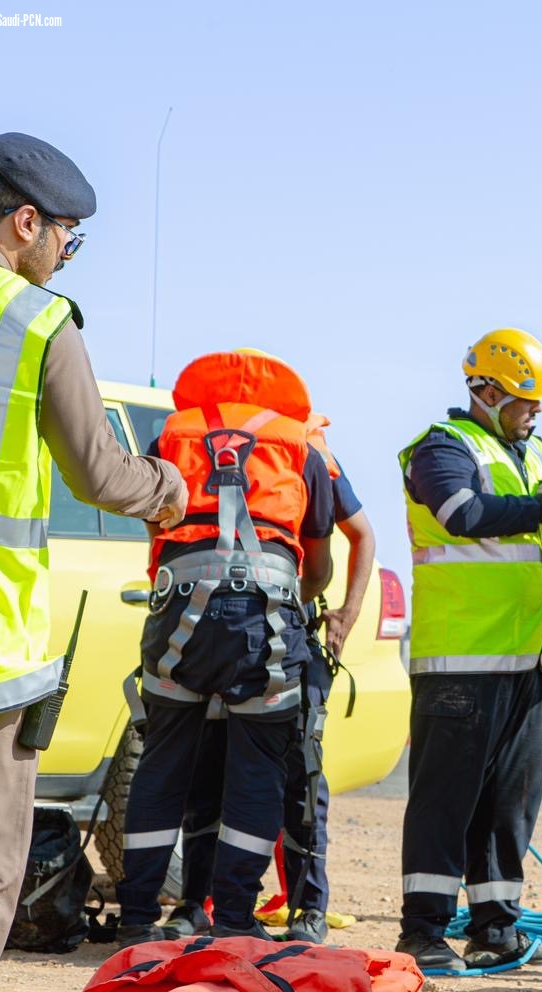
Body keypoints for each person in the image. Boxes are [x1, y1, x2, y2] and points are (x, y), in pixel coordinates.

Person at [0, 132, 186, 992]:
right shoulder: (34, 321)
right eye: (66, 236)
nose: (64, 253)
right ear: (26, 224)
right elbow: (98, 469)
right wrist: (166, 491)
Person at [116, 349, 335, 945]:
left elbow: (158, 532)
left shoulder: (175, 434)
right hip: (261, 626)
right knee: (257, 769)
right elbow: (319, 564)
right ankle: (236, 919)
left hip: (177, 613)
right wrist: (292, 595)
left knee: (162, 763)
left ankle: (137, 918)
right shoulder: (299, 442)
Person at [396, 328, 542, 971]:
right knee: (446, 800)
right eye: (525, 400)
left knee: (510, 804)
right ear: (487, 390)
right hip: (461, 662)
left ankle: (494, 928)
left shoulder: (529, 454)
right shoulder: (442, 448)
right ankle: (421, 931)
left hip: (528, 662)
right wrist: (540, 507)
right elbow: (460, 512)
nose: (536, 412)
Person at [168, 406, 376, 944]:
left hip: (283, 640)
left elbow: (360, 535)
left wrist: (339, 612)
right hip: (225, 636)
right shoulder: (215, 444)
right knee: (208, 772)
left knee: (297, 774)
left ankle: (308, 909)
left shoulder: (304, 448)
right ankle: (199, 905)